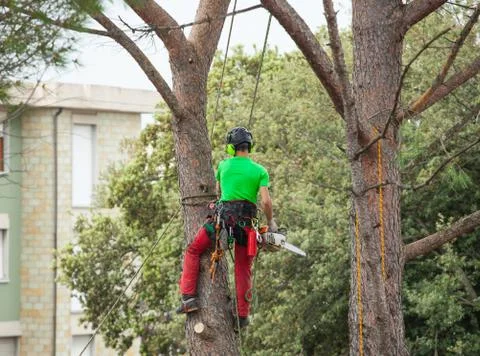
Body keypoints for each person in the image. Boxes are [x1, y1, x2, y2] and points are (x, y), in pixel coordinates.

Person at [177, 127, 278, 329]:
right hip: (246, 226)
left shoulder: (223, 166)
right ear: (249, 146)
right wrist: (271, 222)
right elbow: (266, 202)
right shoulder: (260, 171)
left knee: (194, 249)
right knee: (243, 268)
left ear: (231, 148)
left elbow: (219, 193)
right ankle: (242, 317)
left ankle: (189, 298)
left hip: (221, 221)